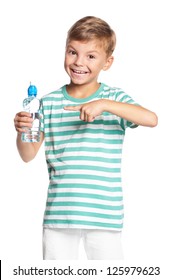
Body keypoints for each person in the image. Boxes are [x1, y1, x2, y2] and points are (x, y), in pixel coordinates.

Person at [14, 16, 158, 260]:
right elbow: (27, 155)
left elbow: (151, 119)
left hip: (104, 214)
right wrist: (23, 130)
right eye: (72, 52)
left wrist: (104, 104)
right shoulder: (47, 103)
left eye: (91, 56)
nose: (79, 62)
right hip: (60, 214)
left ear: (107, 62)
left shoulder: (114, 99)